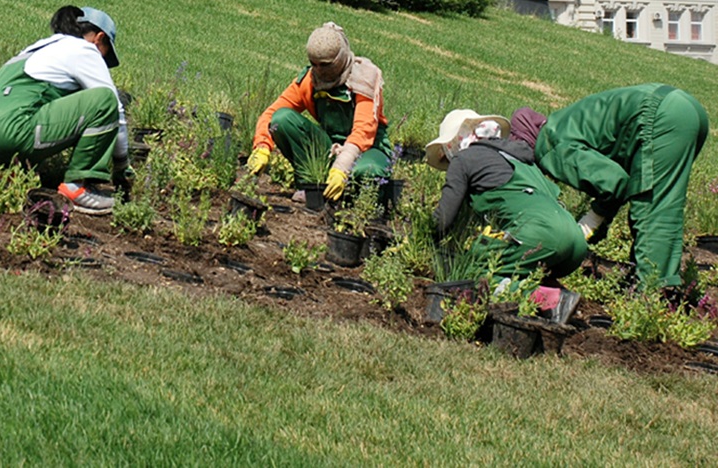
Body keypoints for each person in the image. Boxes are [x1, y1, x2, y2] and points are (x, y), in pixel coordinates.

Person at [531, 84, 709, 289]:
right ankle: (647, 280)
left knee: (652, 208)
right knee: (663, 200)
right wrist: (597, 219)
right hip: (685, 108)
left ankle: (652, 293)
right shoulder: (562, 124)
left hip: (661, 116)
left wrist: (591, 221)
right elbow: (617, 179)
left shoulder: (548, 145)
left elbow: (614, 183)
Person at [0, 5, 129, 216]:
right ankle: (76, 189)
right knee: (104, 100)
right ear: (99, 38)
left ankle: (16, 175)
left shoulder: (38, 48)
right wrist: (122, 166)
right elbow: (114, 107)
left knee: (36, 108)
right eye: (105, 53)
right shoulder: (84, 49)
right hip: (4, 134)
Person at [427, 109, 586, 319]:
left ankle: (547, 298)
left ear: (453, 143)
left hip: (542, 234)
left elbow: (444, 219)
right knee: (523, 266)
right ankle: (555, 292)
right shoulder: (520, 158)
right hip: (575, 239)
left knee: (475, 270)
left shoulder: (464, 159)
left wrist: (424, 236)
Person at [246, 22, 391, 207]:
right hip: (331, 148)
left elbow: (363, 132)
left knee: (367, 172)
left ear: (339, 59)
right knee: (282, 120)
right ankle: (312, 186)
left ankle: (355, 202)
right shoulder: (310, 80)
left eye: (325, 65)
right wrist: (262, 145)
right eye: (314, 64)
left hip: (367, 150)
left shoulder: (364, 79)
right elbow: (272, 113)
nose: (320, 70)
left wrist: (342, 168)